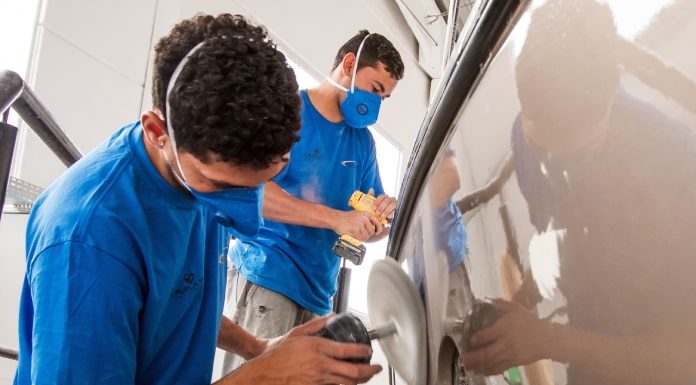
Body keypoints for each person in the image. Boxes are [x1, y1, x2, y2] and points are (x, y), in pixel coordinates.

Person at [13, 14, 382, 385]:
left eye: (258, 184)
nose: (243, 209)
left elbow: (179, 297)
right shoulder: (90, 241)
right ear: (158, 132)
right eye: (223, 185)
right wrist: (263, 375)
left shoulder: (195, 172)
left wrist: (258, 347)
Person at [462, 1, 696, 384]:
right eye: (540, 146)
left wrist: (552, 340)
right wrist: (517, 308)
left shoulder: (678, 173)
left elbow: (689, 356)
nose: (553, 165)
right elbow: (563, 239)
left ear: (613, 88)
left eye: (577, 154)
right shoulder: (525, 134)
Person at [223, 30, 404, 372]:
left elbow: (367, 223)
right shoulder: (290, 112)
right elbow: (254, 191)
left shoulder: (363, 144)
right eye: (375, 89)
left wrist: (379, 220)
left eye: (386, 98)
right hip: (269, 272)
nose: (377, 103)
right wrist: (336, 219)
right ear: (349, 65)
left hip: (320, 293)